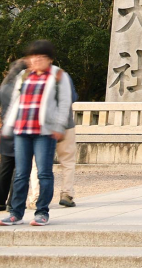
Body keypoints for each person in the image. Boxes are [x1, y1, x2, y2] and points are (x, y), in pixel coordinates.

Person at [0, 41, 73, 227]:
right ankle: (15, 213)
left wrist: (59, 126)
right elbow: (15, 101)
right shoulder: (24, 75)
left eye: (41, 57)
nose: (37, 60)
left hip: (44, 131)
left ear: (49, 59)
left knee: (44, 173)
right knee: (21, 174)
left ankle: (42, 212)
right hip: (22, 129)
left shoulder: (58, 75)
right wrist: (8, 125)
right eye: (33, 57)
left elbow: (64, 102)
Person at [0, 60, 27, 212]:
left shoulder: (5, 87)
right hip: (20, 128)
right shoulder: (22, 86)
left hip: (6, 128)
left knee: (5, 167)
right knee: (19, 168)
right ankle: (12, 202)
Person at [56, 71, 79, 207]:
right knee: (68, 161)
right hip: (65, 125)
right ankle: (67, 193)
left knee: (38, 164)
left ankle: (35, 197)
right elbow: (73, 96)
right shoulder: (62, 75)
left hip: (43, 126)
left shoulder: (31, 76)